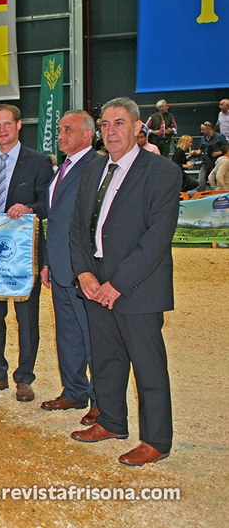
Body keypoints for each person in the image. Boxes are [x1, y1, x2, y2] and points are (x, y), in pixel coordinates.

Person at [68, 97, 181, 467]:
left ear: (137, 128)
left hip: (137, 288)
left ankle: (156, 440)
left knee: (148, 366)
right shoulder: (93, 169)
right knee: (106, 359)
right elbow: (77, 227)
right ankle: (112, 421)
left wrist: (116, 284)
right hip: (95, 283)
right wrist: (85, 273)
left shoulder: (162, 172)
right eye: (104, 124)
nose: (110, 131)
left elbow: (156, 239)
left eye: (119, 123)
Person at [0, 104, 54, 403]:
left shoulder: (39, 161)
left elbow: (48, 203)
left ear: (19, 126)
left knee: (27, 317)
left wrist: (29, 209)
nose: (2, 129)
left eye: (8, 124)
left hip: (25, 252)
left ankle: (25, 378)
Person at [39, 111, 99, 426]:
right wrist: (48, 260)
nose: (60, 134)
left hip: (84, 270)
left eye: (67, 129)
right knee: (69, 334)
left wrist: (86, 266)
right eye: (60, 129)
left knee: (93, 337)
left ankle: (103, 401)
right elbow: (56, 219)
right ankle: (74, 391)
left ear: (87, 134)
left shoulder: (97, 167)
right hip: (60, 266)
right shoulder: (63, 167)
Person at [191, 121, 227, 190]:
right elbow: (200, 150)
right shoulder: (203, 139)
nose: (201, 131)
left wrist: (217, 153)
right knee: (201, 179)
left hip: (216, 162)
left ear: (209, 129)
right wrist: (195, 152)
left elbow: (226, 148)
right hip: (206, 161)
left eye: (203, 129)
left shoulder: (219, 137)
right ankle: (200, 195)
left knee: (214, 179)